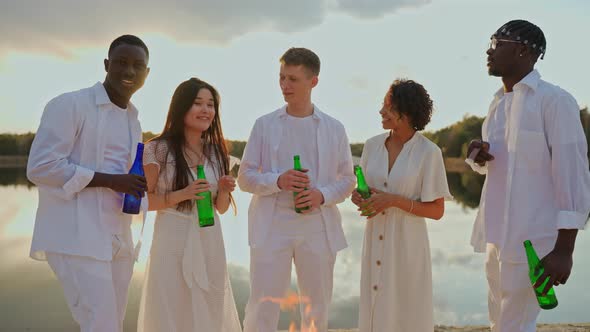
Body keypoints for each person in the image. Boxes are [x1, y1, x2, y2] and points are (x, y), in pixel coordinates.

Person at [467, 19, 590, 332]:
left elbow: (573, 175)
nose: (488, 50)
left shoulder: (555, 101)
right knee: (500, 322)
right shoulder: (497, 104)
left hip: (534, 241)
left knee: (515, 325)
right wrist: (477, 157)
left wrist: (564, 250)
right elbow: (501, 167)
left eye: (497, 43)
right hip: (496, 236)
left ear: (523, 50)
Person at [27, 35, 150, 332]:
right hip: (76, 234)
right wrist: (111, 181)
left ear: (147, 74)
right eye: (121, 62)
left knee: (112, 322)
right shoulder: (70, 104)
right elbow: (41, 167)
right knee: (102, 323)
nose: (129, 72)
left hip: (119, 238)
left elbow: (127, 177)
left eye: (138, 66)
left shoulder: (134, 120)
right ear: (107, 64)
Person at [238, 47, 355, 332]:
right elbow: (244, 178)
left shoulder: (335, 128)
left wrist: (321, 195)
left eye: (293, 79)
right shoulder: (263, 125)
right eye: (281, 78)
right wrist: (278, 180)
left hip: (318, 226)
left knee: (317, 306)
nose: (284, 86)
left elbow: (348, 180)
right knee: (262, 305)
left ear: (313, 81)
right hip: (271, 225)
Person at [137, 78, 241, 332]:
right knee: (172, 305)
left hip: (209, 238)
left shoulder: (217, 152)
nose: (206, 110)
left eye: (210, 105)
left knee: (211, 302)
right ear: (181, 107)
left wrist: (225, 191)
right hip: (172, 237)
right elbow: (142, 201)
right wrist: (182, 194)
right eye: (198, 104)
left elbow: (221, 208)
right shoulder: (158, 150)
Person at [351, 79, 452, 332]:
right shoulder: (372, 145)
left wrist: (393, 200)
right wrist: (359, 196)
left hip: (407, 245)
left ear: (406, 112)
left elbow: (437, 211)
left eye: (388, 106)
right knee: (374, 308)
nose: (381, 111)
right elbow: (365, 188)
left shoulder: (429, 152)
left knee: (407, 311)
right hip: (374, 238)